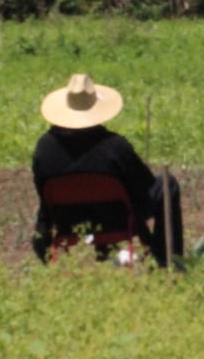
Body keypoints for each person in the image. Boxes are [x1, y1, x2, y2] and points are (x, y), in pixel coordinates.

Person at [31, 73, 184, 266]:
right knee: (166, 185)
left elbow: (42, 192)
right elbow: (143, 186)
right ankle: (167, 260)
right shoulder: (115, 146)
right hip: (118, 219)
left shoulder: (44, 148)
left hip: (66, 222)